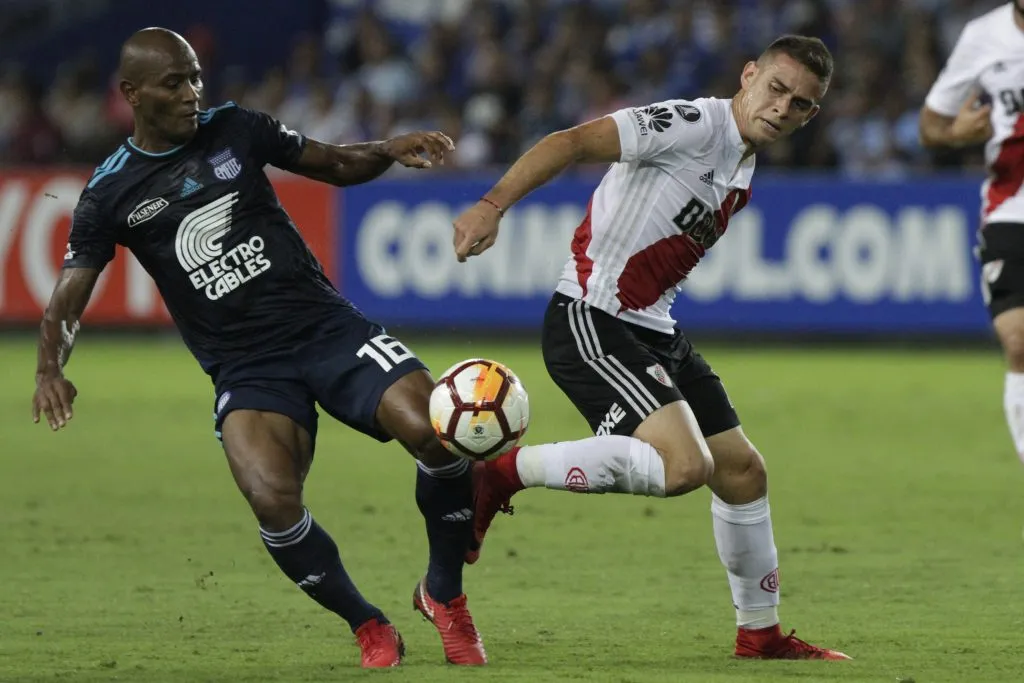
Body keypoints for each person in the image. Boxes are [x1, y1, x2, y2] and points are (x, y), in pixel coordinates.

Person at [30, 27, 486, 669]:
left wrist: (387, 147)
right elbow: (69, 296)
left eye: (195, 77)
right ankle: (367, 623)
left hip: (327, 329)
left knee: (442, 435)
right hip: (247, 367)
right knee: (272, 499)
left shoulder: (235, 127)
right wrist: (51, 367)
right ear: (131, 93)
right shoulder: (109, 193)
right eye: (174, 82)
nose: (192, 93)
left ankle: (443, 594)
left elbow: (330, 162)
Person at [451, 35, 850, 660]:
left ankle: (760, 635)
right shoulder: (693, 123)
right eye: (776, 88)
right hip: (592, 317)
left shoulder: (744, 164)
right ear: (749, 76)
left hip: (654, 330)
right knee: (685, 467)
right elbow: (572, 142)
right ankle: (501, 472)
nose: (782, 108)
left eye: (800, 104)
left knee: (743, 473)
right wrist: (490, 204)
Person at [919, 1, 1024, 465]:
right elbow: (931, 125)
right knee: (1018, 340)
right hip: (1010, 206)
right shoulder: (984, 36)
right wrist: (957, 132)